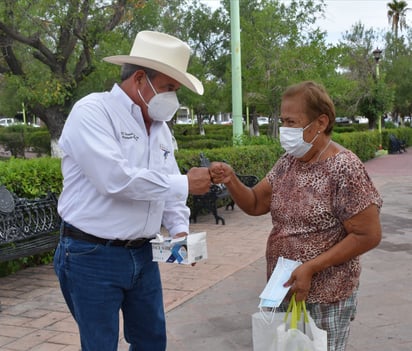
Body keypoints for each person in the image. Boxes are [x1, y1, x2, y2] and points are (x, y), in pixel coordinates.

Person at [53, 30, 211, 351]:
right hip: (91, 254)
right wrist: (184, 183)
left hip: (144, 253)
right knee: (100, 344)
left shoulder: (160, 128)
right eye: (168, 88)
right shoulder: (93, 112)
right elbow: (115, 179)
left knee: (152, 340)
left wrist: (180, 230)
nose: (173, 98)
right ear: (140, 78)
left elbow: (164, 183)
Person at [210, 81, 382, 351]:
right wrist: (231, 180)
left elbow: (368, 234)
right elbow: (255, 203)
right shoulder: (288, 161)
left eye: (292, 122)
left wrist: (311, 267)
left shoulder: (344, 167)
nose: (284, 130)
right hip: (283, 289)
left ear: (320, 122)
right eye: (282, 121)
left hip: (327, 296)